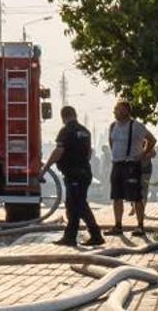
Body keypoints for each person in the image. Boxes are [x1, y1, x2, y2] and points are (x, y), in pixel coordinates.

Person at [42, 106, 104, 247]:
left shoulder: (66, 131)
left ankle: (91, 235)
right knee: (75, 204)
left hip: (73, 174)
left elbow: (58, 151)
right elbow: (89, 153)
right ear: (75, 115)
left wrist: (45, 169)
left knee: (78, 205)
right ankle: (74, 236)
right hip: (84, 172)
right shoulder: (85, 131)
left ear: (63, 117)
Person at [106, 100, 157, 236]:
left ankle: (140, 226)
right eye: (115, 109)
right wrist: (117, 154)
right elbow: (111, 142)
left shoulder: (136, 126)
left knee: (136, 197)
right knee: (116, 196)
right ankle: (118, 226)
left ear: (126, 111)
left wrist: (143, 154)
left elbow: (152, 140)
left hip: (131, 165)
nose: (115, 112)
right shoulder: (113, 126)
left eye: (118, 109)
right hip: (117, 164)